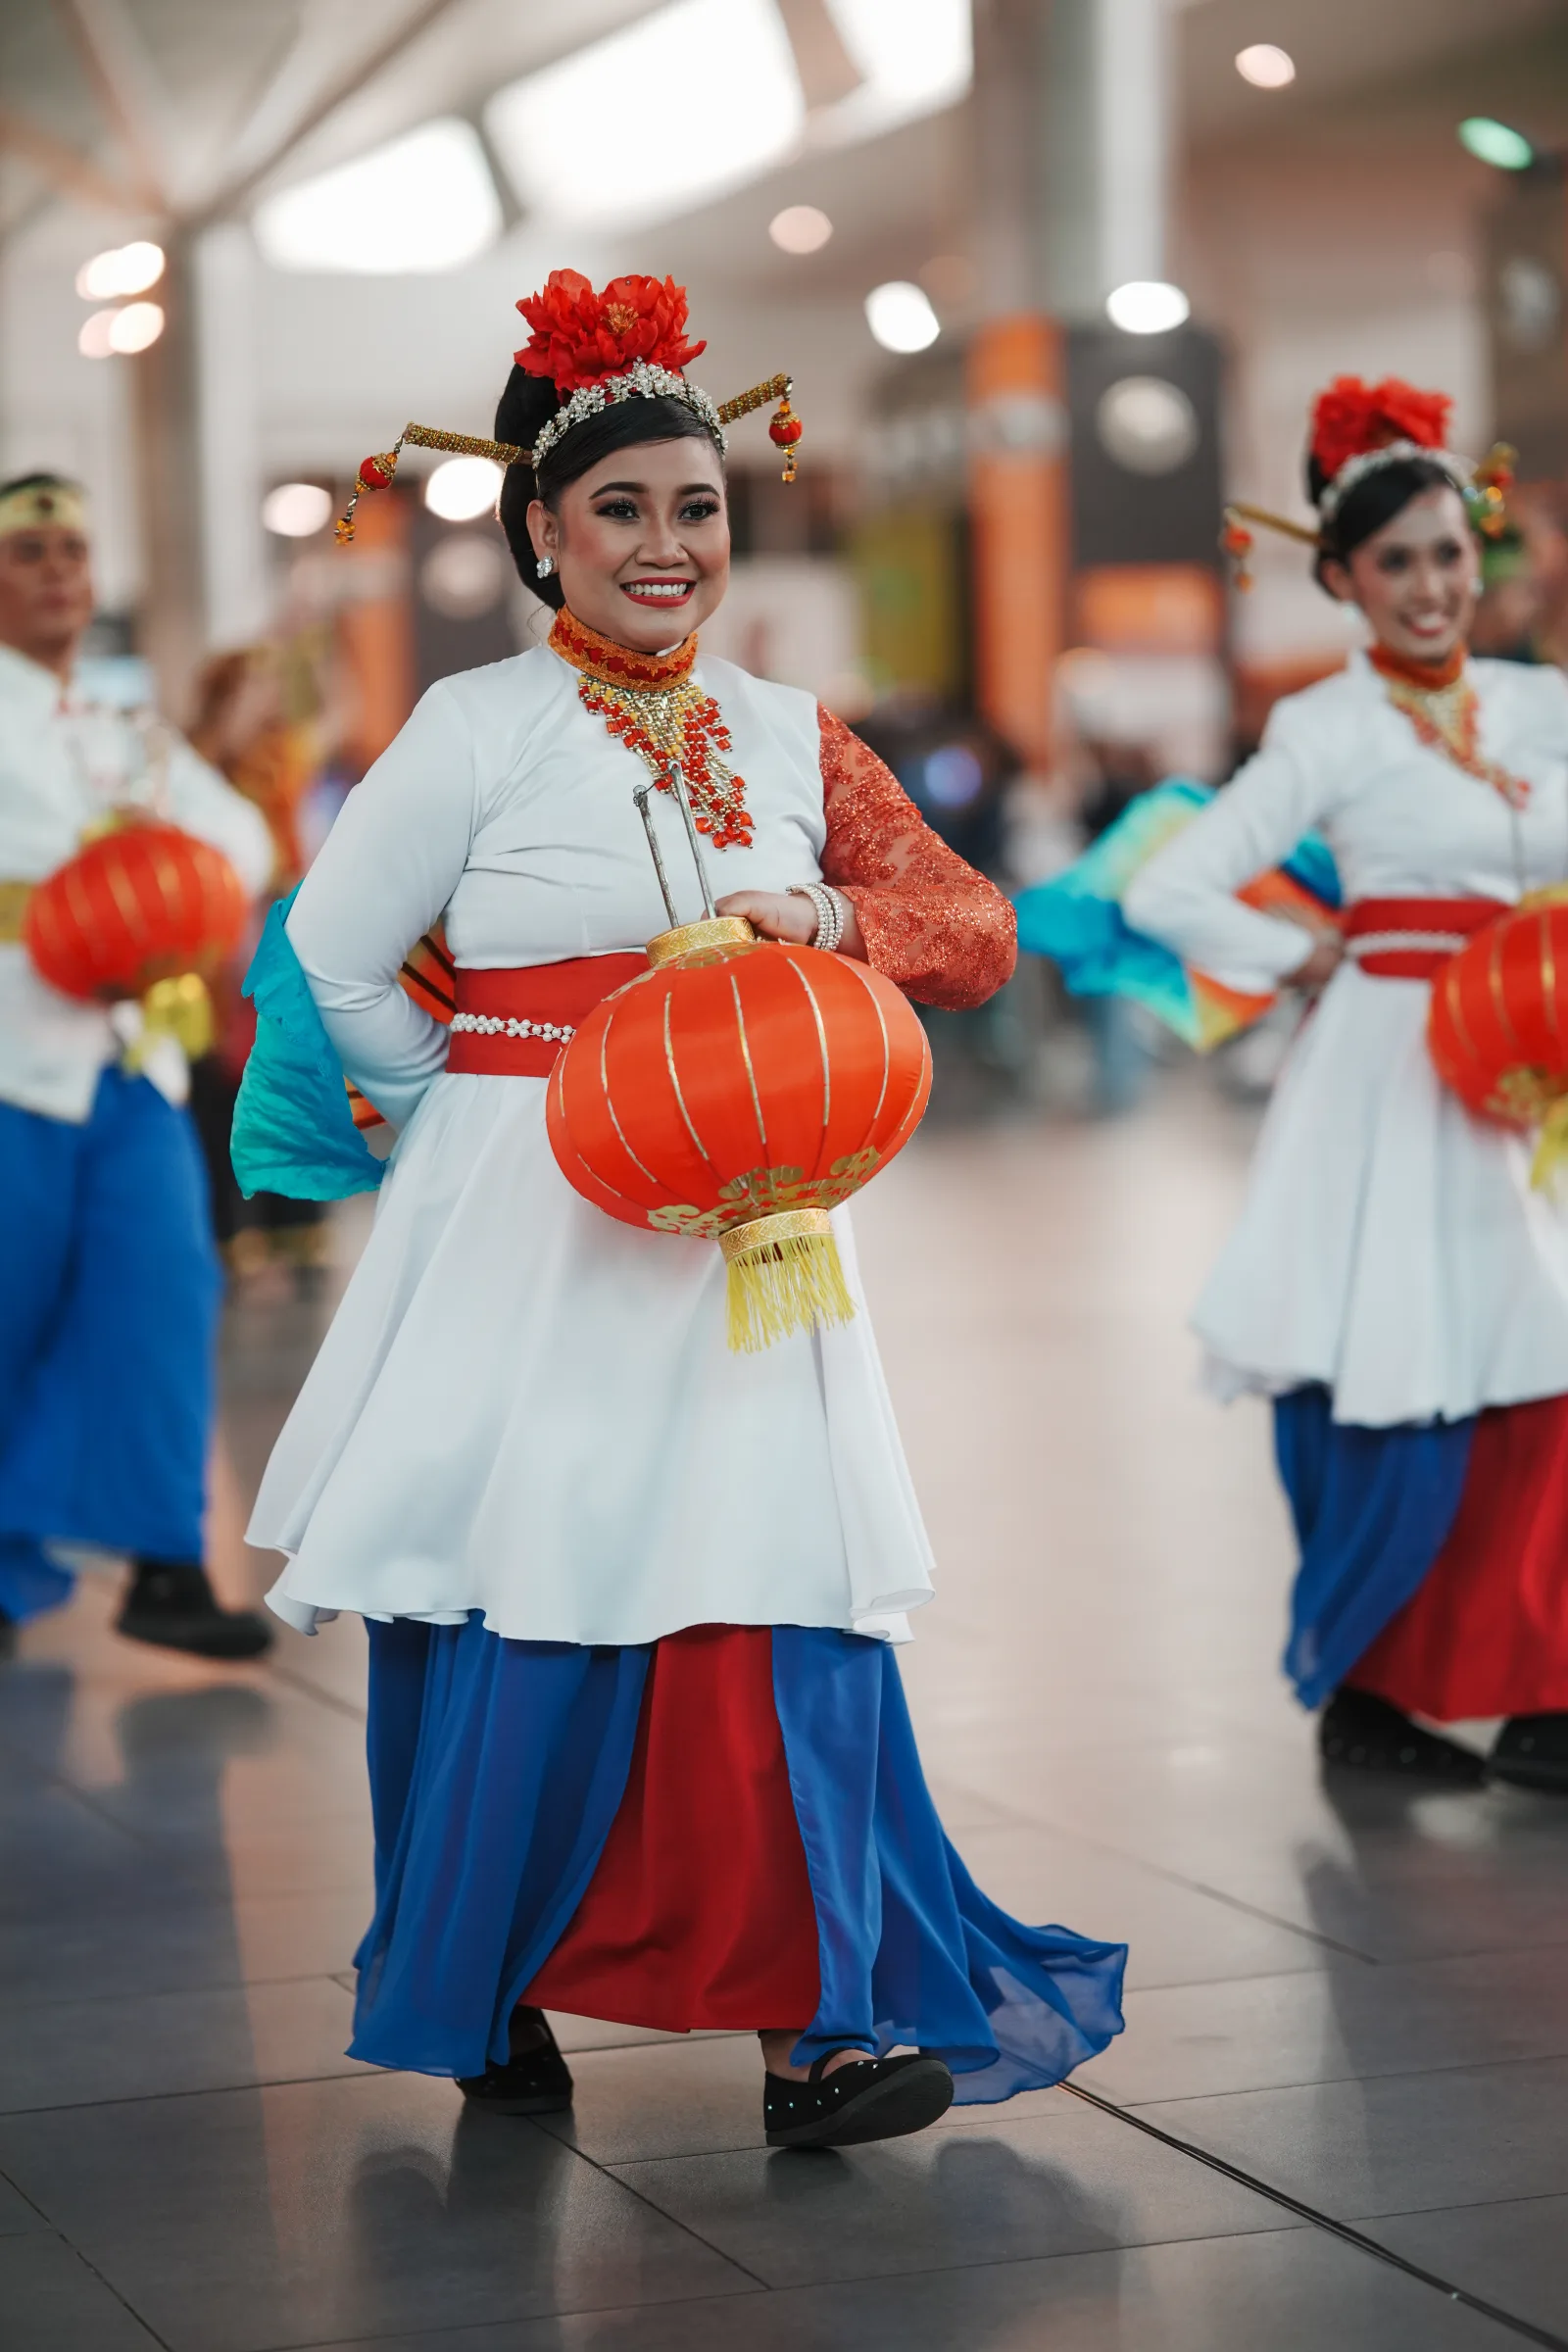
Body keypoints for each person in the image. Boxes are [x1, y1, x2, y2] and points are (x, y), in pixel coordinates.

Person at [241, 271, 1126, 2148]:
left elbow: (974, 929)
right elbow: (328, 945)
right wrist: (461, 1103)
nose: (666, 543)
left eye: (697, 506)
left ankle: (821, 2019)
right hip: (533, 1216)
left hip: (753, 1231)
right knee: (519, 1576)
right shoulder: (472, 726)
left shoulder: (801, 733)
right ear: (541, 531)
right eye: (622, 509)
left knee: (770, 1575)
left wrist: (832, 921)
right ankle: (486, 1987)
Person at [1124, 377, 1568, 1790]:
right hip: (1392, 1068)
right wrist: (1305, 954)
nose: (1432, 587)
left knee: (1541, 1368)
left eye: (1449, 554)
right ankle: (1371, 1687)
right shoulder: (1324, 725)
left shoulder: (1538, 704)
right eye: (1396, 564)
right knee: (1394, 1363)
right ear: (1339, 579)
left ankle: (1543, 1683)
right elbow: (1170, 884)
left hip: (1532, 1075)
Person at [0, 473, 274, 1658]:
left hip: (128, 1064)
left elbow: (244, 839)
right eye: (29, 550)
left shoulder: (122, 726)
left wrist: (151, 891)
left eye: (72, 549)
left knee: (165, 1296)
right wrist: (85, 892)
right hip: (11, 1055)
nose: (60, 569)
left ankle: (167, 1562)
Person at [185, 644, 330, 1290]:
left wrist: (319, 636)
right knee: (224, 1085)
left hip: (277, 936)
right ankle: (235, 1240)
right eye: (253, 688)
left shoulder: (278, 758)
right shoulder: (194, 764)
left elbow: (339, 715)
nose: (266, 700)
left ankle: (295, 1230)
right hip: (215, 943)